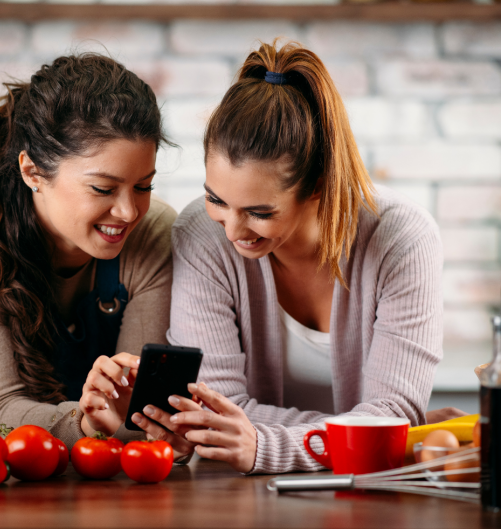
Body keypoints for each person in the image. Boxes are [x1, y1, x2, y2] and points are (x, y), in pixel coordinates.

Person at [131, 40, 450, 474]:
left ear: (318, 185)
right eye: (215, 199)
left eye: (260, 212)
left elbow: (389, 416)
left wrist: (264, 444)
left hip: (365, 499)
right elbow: (215, 414)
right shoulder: (201, 235)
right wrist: (366, 432)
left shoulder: (403, 240)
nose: (232, 230)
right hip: (239, 497)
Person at [0, 54, 176, 448]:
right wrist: (89, 420)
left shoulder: (154, 234)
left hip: (99, 467)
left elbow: (135, 416)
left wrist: (129, 420)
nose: (129, 211)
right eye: (102, 189)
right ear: (32, 172)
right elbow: (3, 409)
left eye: (143, 186)